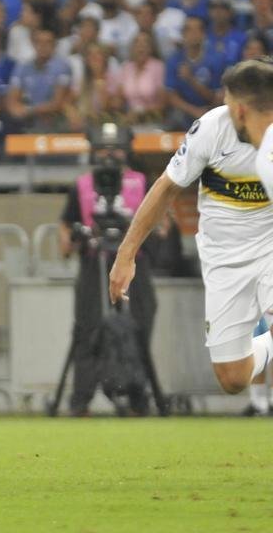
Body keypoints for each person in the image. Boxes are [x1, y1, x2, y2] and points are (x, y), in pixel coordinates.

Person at [112, 61, 273, 399]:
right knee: (233, 377)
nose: (224, 109)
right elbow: (166, 188)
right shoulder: (212, 129)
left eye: (228, 103)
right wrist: (126, 254)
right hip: (224, 258)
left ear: (242, 109)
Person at [62, 142, 155, 415]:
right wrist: (70, 242)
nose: (110, 156)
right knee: (87, 329)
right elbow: (66, 226)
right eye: (104, 150)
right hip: (93, 263)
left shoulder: (140, 182)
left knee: (138, 326)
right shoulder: (82, 185)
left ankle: (138, 395)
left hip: (135, 265)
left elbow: (161, 222)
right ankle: (82, 400)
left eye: (115, 149)